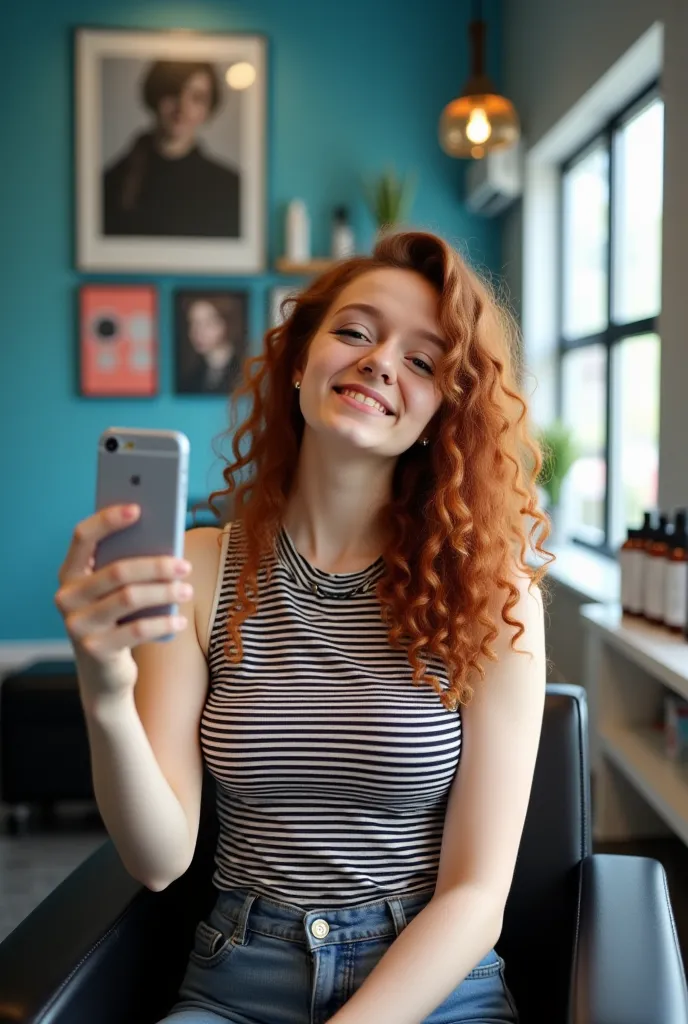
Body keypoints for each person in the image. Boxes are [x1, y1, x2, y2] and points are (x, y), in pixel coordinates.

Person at [55, 230, 552, 1024]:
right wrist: (106, 689)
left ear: (439, 415)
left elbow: (476, 895)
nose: (381, 361)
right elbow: (159, 860)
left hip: (429, 981)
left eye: (422, 361)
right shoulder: (203, 570)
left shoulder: (494, 596)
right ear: (298, 361)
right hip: (238, 977)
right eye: (354, 331)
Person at [103, 61, 240, 238]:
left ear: (207, 109)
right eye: (173, 93)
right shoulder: (114, 181)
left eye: (197, 98)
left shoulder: (229, 187)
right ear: (155, 97)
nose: (182, 108)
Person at [177, 295, 244, 395]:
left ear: (227, 324)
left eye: (208, 323)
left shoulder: (244, 373)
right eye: (193, 323)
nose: (197, 332)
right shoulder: (191, 378)